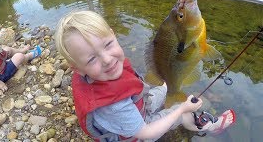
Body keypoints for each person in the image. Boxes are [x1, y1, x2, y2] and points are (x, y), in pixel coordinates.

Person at [54, 9, 236, 141]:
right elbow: (145, 132)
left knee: (164, 88)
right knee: (184, 111)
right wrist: (181, 109)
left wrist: (165, 86)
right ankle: (212, 125)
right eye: (92, 59)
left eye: (108, 44)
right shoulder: (114, 106)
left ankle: (170, 92)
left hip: (137, 105)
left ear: (113, 34)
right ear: (77, 68)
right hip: (137, 132)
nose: (107, 60)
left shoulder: (103, 72)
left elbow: (134, 87)